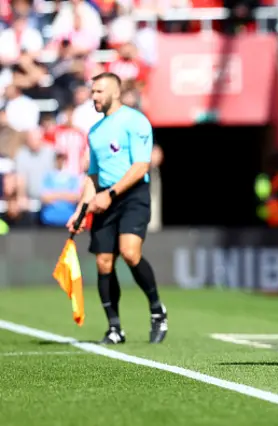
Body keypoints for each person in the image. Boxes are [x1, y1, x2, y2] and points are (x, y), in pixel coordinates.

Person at [66, 72, 168, 345]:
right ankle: (114, 327)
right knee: (103, 262)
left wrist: (110, 194)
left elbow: (140, 167)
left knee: (130, 252)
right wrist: (80, 209)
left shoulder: (136, 122)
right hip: (103, 197)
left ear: (115, 92)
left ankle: (158, 311)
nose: (94, 97)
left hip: (132, 195)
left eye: (99, 91)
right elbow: (93, 176)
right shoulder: (95, 132)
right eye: (92, 92)